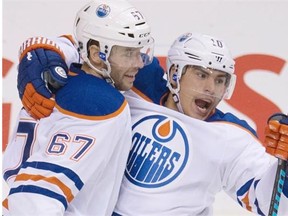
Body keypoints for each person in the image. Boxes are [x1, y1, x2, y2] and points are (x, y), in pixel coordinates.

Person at [5, 27, 288, 215]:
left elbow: (270, 204)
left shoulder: (231, 134)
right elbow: (87, 45)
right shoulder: (139, 81)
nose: (211, 89)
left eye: (220, 80)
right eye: (201, 75)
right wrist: (44, 55)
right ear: (175, 73)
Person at [2, 0, 154, 215]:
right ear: (96, 54)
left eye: (138, 51)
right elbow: (35, 198)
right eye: (128, 53)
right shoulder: (97, 103)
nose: (139, 63)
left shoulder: (54, 79)